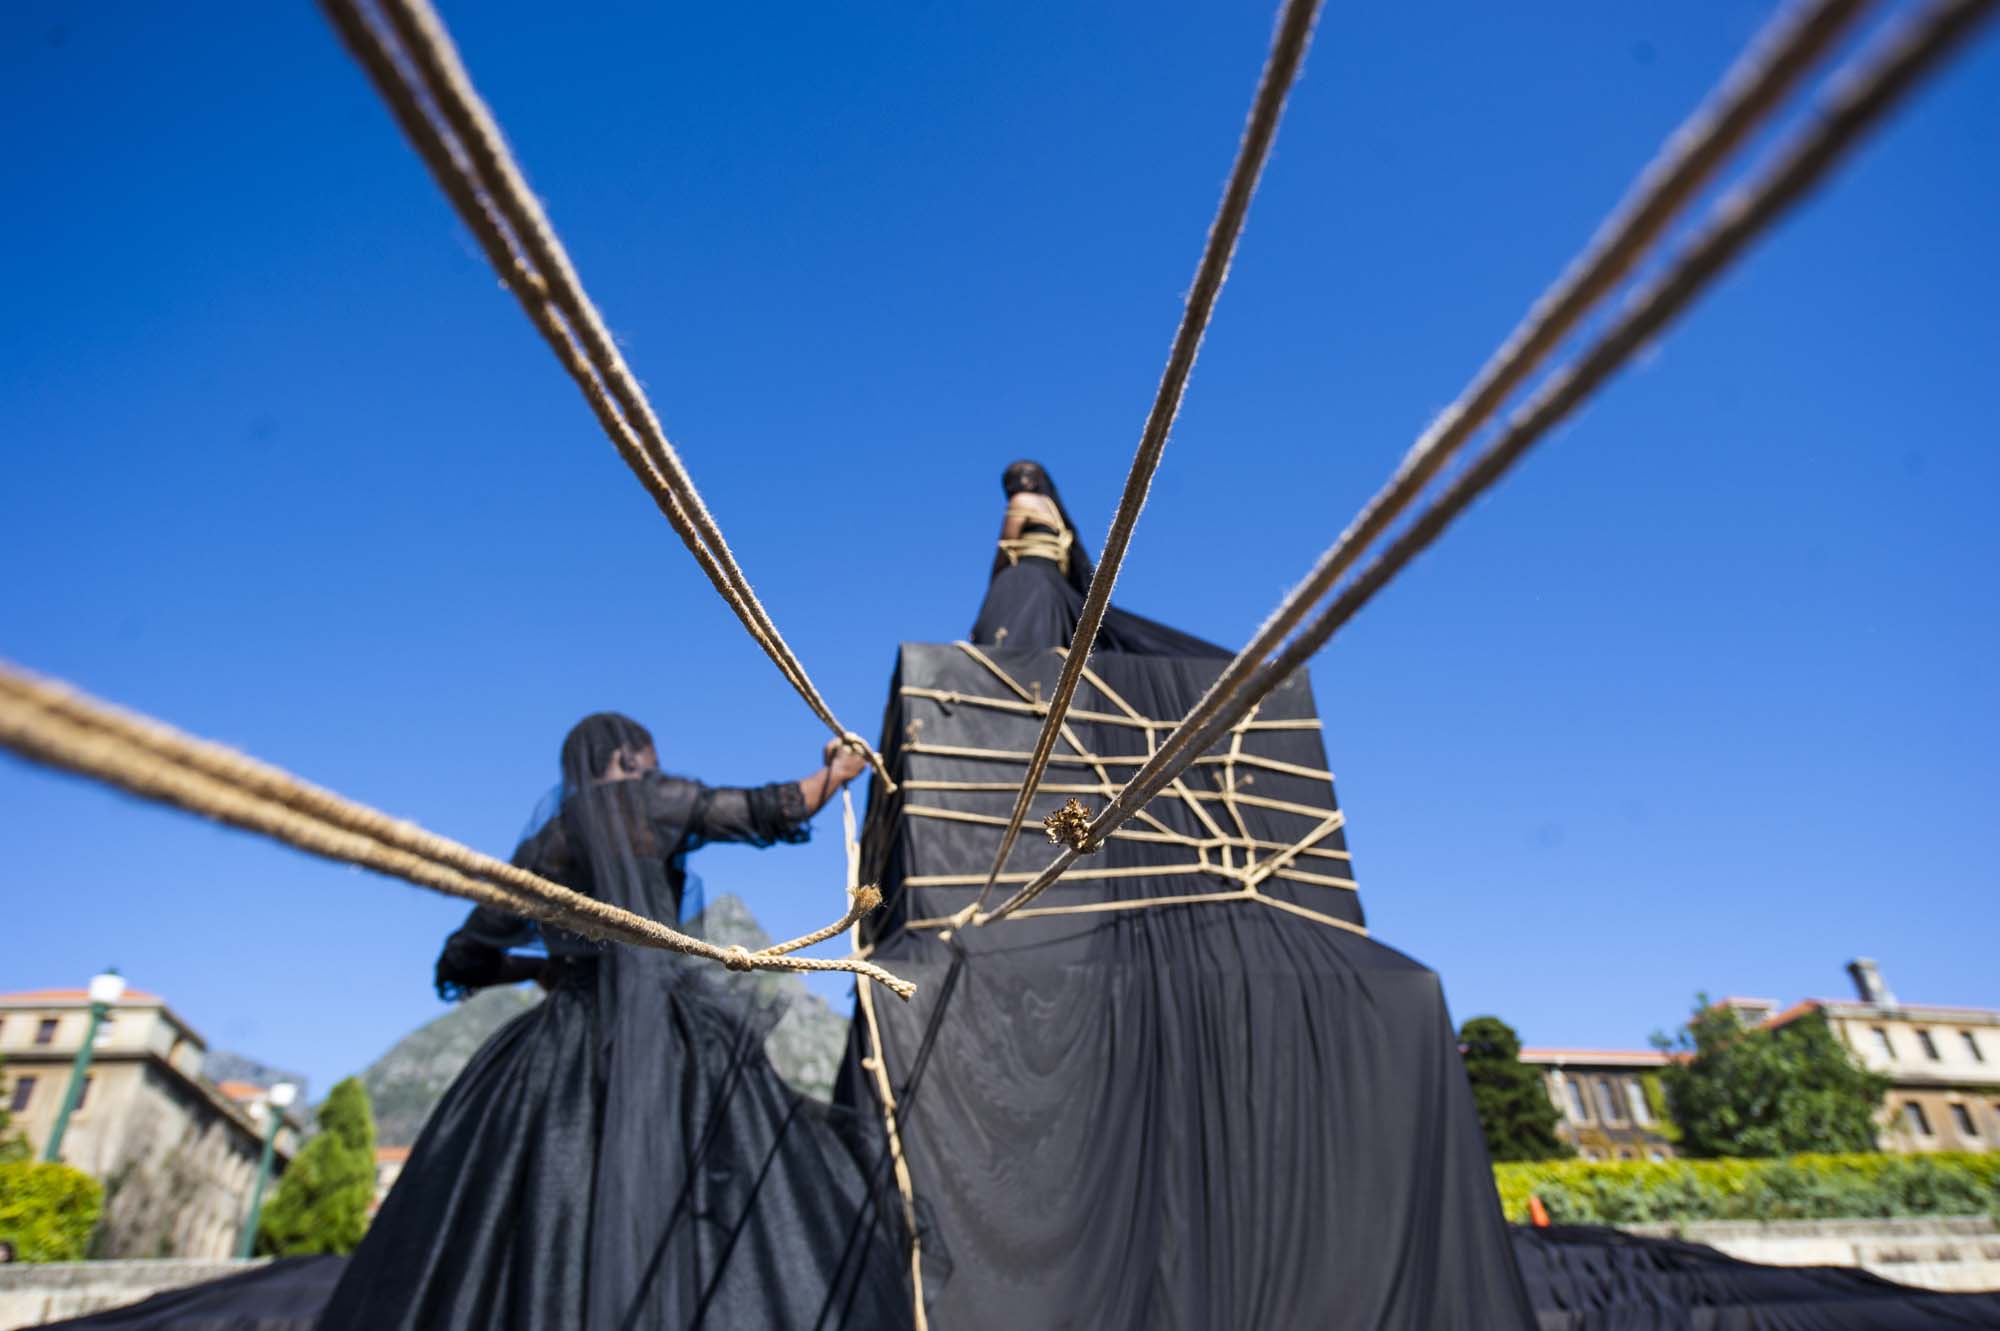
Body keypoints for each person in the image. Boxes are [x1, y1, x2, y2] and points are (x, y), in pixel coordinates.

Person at [316, 714, 913, 1331]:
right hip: (676, 1048)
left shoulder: (544, 845)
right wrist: (837, 772)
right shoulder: (652, 799)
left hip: (560, 1049)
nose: (654, 766)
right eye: (648, 758)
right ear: (627, 758)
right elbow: (770, 807)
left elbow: (463, 959)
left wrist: (538, 970)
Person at [970, 459, 1228, 657]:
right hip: (1053, 581)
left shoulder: (1021, 500)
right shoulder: (1054, 510)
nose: (1018, 482)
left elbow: (1006, 547)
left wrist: (995, 586)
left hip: (1028, 576)